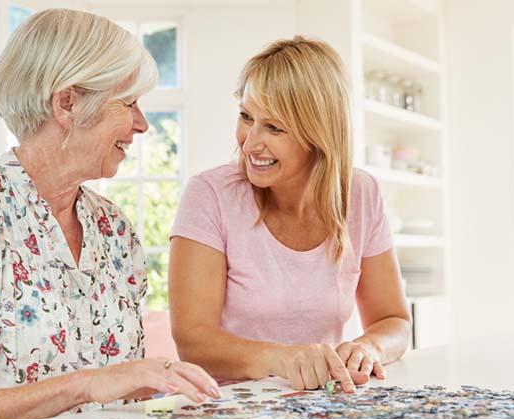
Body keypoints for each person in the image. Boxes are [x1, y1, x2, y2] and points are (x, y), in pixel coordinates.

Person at [0, 9, 219, 419]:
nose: (141, 124)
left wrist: (160, 384)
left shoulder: (115, 230)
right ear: (67, 103)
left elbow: (116, 391)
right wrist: (84, 385)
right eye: (129, 103)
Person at [169, 36, 412, 394]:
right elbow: (193, 341)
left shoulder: (361, 194)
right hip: (231, 409)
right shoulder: (209, 195)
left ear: (319, 135)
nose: (249, 143)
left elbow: (394, 321)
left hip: (321, 405)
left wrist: (368, 347)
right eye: (246, 117)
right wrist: (284, 359)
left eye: (274, 127)